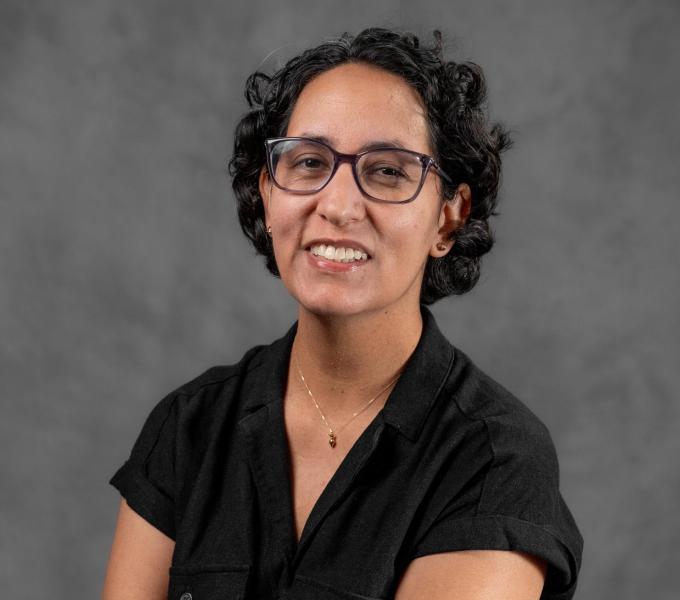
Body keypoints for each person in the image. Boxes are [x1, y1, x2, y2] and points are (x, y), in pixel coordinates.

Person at [102, 27, 583, 600]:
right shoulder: (189, 427)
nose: (336, 204)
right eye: (308, 162)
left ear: (449, 218)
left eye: (387, 171)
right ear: (267, 192)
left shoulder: (495, 459)